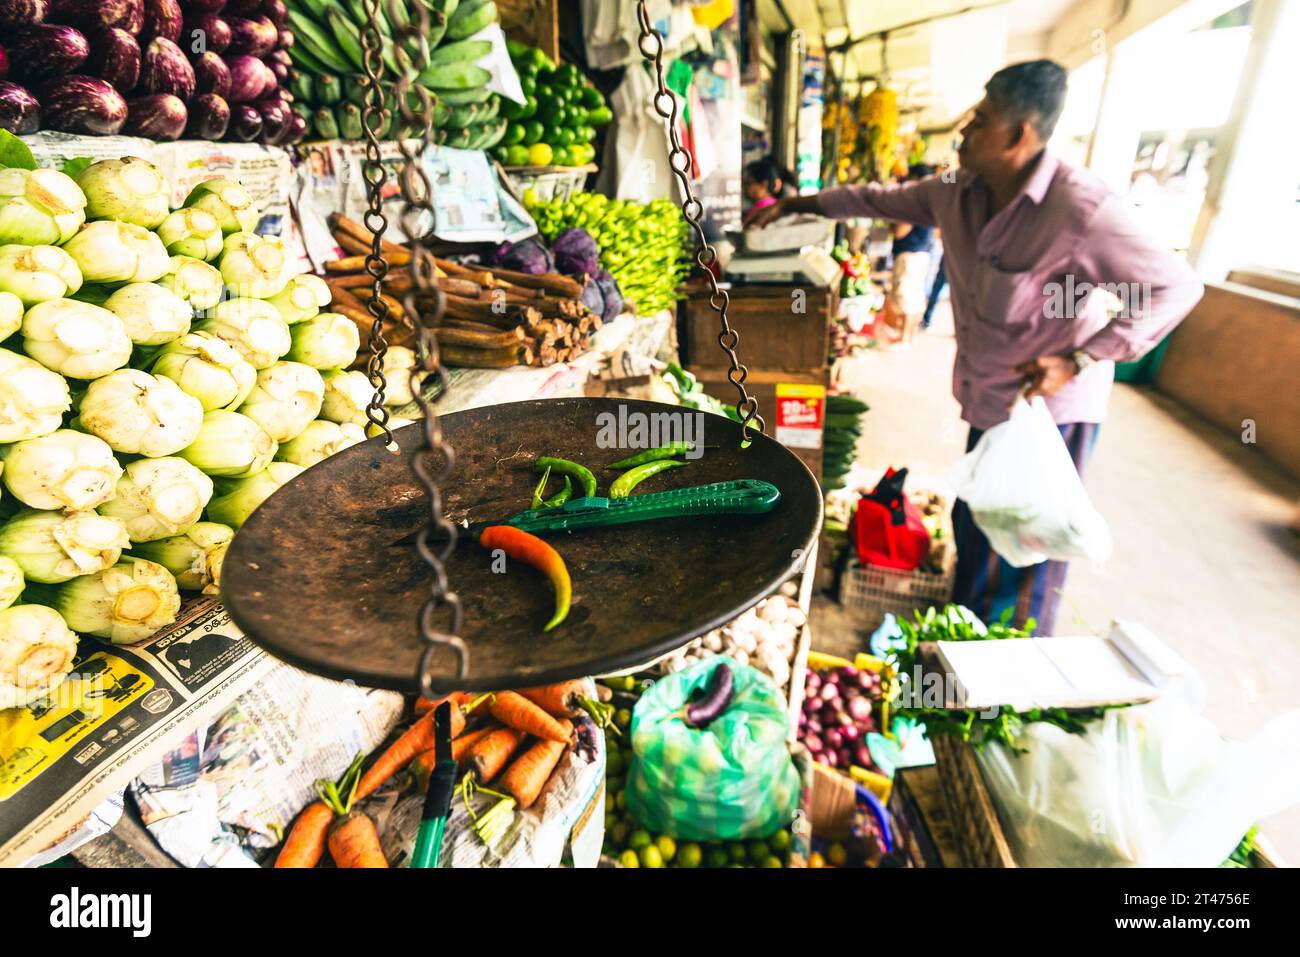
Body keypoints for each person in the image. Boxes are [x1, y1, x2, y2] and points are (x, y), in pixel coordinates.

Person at [751, 60, 1204, 633]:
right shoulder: (955, 192)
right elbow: (879, 199)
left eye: (981, 120)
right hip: (991, 399)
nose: (964, 130)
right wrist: (798, 205)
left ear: (1019, 134)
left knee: (1026, 550)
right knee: (977, 524)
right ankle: (965, 634)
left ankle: (1004, 667)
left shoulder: (1082, 211)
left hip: (1051, 414)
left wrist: (1078, 358)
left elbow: (1176, 286)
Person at [885, 164, 936, 347]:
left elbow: (899, 231)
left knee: (907, 297)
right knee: (913, 297)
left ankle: (904, 338)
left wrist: (891, 222)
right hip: (921, 253)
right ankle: (907, 336)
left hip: (910, 255)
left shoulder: (915, 202)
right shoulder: (928, 201)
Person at [741, 156, 794, 227]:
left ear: (763, 184)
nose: (744, 188)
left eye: (748, 183)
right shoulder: (776, 205)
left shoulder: (758, 213)